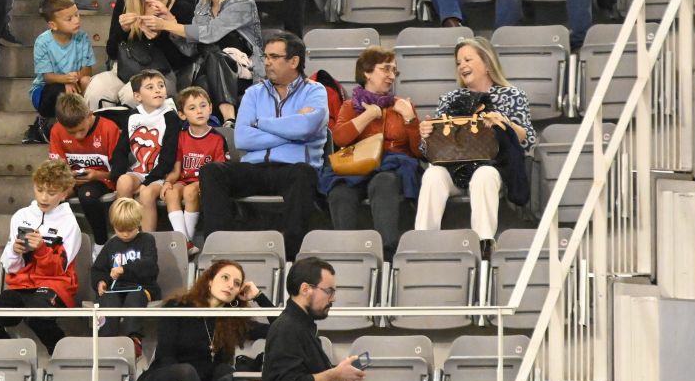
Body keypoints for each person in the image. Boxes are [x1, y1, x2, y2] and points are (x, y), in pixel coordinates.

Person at [197, 33, 327, 257]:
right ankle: (219, 251)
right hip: (254, 167)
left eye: (274, 57)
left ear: (294, 61)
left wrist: (261, 124)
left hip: (293, 169)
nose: (266, 62)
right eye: (266, 56)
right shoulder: (253, 93)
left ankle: (290, 256)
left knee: (304, 175)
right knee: (212, 171)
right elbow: (243, 138)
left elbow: (306, 128)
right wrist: (291, 131)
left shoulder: (315, 91)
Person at [130, 260, 268, 381]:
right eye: (225, 278)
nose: (230, 285)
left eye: (236, 283)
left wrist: (258, 296)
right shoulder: (177, 306)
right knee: (184, 372)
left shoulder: (231, 321)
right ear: (209, 280)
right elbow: (165, 357)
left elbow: (282, 329)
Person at [416, 39, 536, 247]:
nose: (462, 65)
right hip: (455, 166)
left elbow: (527, 140)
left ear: (487, 63)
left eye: (468, 59)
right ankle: (423, 243)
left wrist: (503, 122)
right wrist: (426, 134)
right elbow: (429, 150)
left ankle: (483, 244)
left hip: (493, 165)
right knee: (432, 174)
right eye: (458, 62)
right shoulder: (450, 98)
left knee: (484, 175)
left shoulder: (512, 95)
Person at [135, 0, 264, 123]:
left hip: (244, 72)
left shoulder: (241, 2)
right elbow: (191, 48)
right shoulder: (204, 3)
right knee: (205, 74)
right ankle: (223, 125)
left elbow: (210, 33)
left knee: (215, 59)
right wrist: (170, 21)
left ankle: (227, 121)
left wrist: (166, 25)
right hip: (209, 70)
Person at [319, 46, 424, 260]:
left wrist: (410, 120)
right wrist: (367, 116)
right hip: (359, 167)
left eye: (394, 71)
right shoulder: (351, 105)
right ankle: (346, 255)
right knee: (340, 191)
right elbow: (339, 139)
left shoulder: (403, 105)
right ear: (367, 72)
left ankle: (387, 253)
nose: (391, 76)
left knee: (383, 181)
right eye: (385, 69)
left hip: (394, 166)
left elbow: (419, 151)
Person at [0, 159, 82, 351]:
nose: (44, 197)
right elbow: (10, 266)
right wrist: (15, 251)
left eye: (51, 193)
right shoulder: (21, 216)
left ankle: (64, 355)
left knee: (36, 316)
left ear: (64, 193)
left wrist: (42, 250)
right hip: (21, 285)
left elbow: (59, 270)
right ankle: (15, 359)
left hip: (55, 285)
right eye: (39, 190)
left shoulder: (70, 224)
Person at [88, 0, 196, 110]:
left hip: (163, 74)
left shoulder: (182, 8)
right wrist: (122, 31)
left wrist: (159, 34)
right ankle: (103, 134)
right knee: (96, 88)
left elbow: (182, 61)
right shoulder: (125, 2)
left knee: (133, 94)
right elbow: (111, 52)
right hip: (124, 70)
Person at [110, 71, 182, 232]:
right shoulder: (132, 116)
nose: (157, 90)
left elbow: (169, 157)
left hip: (161, 174)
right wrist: (116, 176)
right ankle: (125, 230)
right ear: (137, 96)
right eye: (150, 87)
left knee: (146, 194)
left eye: (161, 86)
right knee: (123, 181)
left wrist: (147, 182)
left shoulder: (170, 117)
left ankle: (148, 237)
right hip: (139, 171)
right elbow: (121, 150)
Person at [161, 86, 227, 244]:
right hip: (183, 180)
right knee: (171, 192)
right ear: (182, 115)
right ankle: (185, 242)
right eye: (192, 108)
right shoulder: (180, 137)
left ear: (210, 108)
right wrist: (168, 182)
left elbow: (219, 171)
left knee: (190, 191)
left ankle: (184, 242)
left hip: (204, 182)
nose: (199, 111)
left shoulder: (217, 138)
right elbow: (176, 169)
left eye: (203, 106)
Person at [49, 92, 121, 238]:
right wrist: (67, 179)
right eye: (71, 132)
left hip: (101, 179)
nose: (78, 136)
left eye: (81, 130)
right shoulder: (57, 130)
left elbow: (119, 171)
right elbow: (57, 168)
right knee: (49, 195)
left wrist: (97, 175)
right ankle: (55, 244)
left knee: (87, 195)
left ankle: (101, 242)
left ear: (89, 115)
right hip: (70, 180)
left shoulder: (109, 128)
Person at [90, 196, 161, 334]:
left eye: (129, 229)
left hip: (143, 288)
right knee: (108, 299)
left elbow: (150, 266)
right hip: (116, 289)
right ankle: (107, 341)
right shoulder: (111, 244)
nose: (125, 234)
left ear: (138, 223)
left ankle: (133, 339)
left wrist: (124, 269)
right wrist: (101, 282)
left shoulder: (147, 240)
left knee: (134, 298)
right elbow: (98, 269)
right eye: (120, 229)